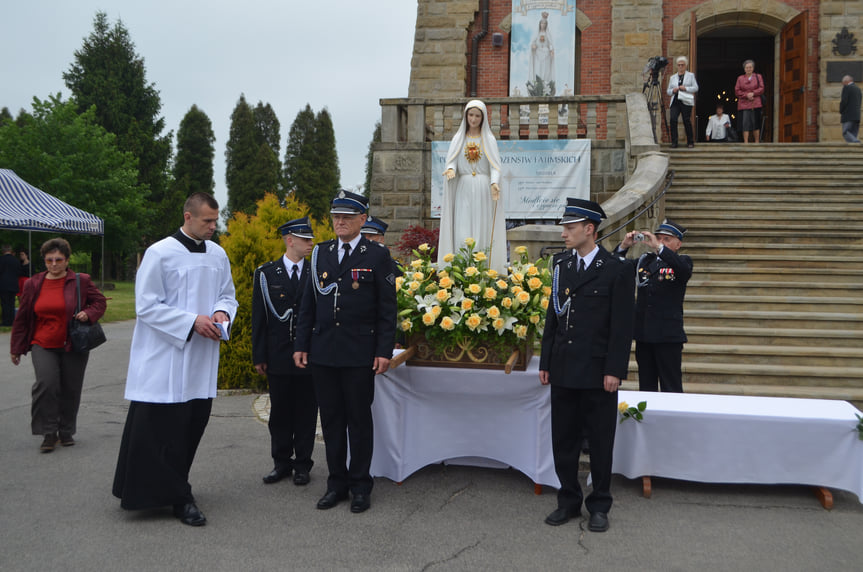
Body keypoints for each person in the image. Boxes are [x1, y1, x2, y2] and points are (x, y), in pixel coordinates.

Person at [112, 192, 237, 527]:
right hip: (164, 358)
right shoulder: (160, 253)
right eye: (207, 221)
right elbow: (147, 305)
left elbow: (227, 293)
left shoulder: (217, 254)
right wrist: (191, 322)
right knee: (160, 431)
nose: (213, 226)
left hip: (200, 360)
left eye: (215, 220)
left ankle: (173, 488)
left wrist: (222, 312)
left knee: (191, 426)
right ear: (187, 217)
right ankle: (178, 497)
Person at [293, 190, 397, 514]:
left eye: (347, 217)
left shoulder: (377, 255)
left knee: (358, 421)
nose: (339, 222)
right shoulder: (320, 254)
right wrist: (301, 344)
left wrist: (383, 351)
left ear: (362, 219)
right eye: (336, 216)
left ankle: (360, 485)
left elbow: (387, 309)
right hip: (324, 351)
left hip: (358, 353)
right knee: (332, 420)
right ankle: (336, 483)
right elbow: (307, 305)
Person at [539, 198, 634, 533]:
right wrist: (545, 359)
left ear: (589, 229)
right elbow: (554, 315)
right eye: (564, 227)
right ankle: (567, 501)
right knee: (562, 439)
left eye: (570, 227)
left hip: (597, 371)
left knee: (600, 440)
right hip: (564, 367)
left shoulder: (616, 269)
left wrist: (615, 370)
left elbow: (622, 326)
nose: (564, 233)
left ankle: (600, 504)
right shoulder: (561, 264)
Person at [10, 238, 106, 451]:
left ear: (67, 260)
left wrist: (88, 314)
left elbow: (99, 302)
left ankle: (66, 431)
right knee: (46, 384)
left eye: (58, 260)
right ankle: (48, 432)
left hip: (74, 343)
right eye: (49, 260)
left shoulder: (81, 281)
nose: (54, 264)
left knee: (71, 388)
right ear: (44, 260)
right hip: (42, 343)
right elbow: (23, 318)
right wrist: (16, 347)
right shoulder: (33, 283)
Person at [252, 217, 318, 486]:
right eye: (305, 239)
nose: (310, 243)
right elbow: (260, 318)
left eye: (310, 239)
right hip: (278, 354)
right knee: (279, 413)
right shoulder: (266, 274)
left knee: (305, 411)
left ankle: (302, 464)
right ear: (290, 241)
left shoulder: (316, 271)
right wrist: (259, 356)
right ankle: (281, 463)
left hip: (308, 356)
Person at [613, 220, 692, 393]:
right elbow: (615, 268)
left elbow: (683, 271)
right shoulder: (644, 261)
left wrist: (660, 248)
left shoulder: (682, 261)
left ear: (678, 244)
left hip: (668, 336)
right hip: (644, 334)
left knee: (671, 386)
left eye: (667, 239)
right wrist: (624, 247)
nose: (660, 242)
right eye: (658, 238)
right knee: (646, 386)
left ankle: (672, 420)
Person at [439, 100, 507, 273]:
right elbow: (452, 160)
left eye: (477, 115)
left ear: (482, 118)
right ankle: (463, 268)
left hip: (484, 188)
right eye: (471, 115)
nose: (474, 119)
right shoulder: (458, 138)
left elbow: (495, 166)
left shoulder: (489, 139)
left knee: (482, 227)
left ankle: (482, 267)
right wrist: (450, 170)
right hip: (464, 187)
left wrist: (494, 182)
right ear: (466, 116)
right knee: (463, 227)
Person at [666, 56, 698, 148]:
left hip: (686, 100)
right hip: (675, 100)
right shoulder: (673, 77)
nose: (680, 67)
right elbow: (668, 91)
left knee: (686, 120)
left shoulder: (690, 76)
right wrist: (673, 90)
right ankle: (674, 141)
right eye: (679, 65)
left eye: (682, 65)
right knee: (673, 119)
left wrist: (686, 88)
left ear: (686, 66)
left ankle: (690, 141)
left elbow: (696, 88)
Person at [734, 60, 764, 143]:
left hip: (756, 102)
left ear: (753, 68)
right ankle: (746, 142)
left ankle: (757, 142)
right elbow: (737, 91)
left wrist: (753, 93)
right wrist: (746, 95)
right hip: (744, 104)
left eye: (750, 67)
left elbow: (761, 88)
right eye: (747, 67)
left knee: (756, 123)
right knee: (745, 124)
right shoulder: (740, 78)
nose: (748, 69)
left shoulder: (758, 77)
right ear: (744, 69)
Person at [529, 11, 554, 92]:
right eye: (541, 23)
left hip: (546, 54)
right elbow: (533, 42)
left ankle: (545, 84)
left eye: (544, 24)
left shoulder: (548, 34)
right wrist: (533, 46)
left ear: (546, 25)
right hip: (538, 54)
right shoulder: (537, 33)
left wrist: (551, 50)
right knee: (538, 68)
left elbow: (550, 43)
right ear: (539, 24)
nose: (542, 25)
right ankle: (538, 84)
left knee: (545, 69)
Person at [0, 244, 19, 326]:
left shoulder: (1, 259)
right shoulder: (16, 260)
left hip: (3, 284)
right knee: (11, 303)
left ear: (3, 251)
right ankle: (12, 321)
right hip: (14, 284)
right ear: (10, 251)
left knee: (5, 304)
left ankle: (6, 321)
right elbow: (19, 272)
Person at [840, 75, 862, 143]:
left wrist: (841, 110)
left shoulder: (846, 88)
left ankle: (856, 141)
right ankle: (855, 146)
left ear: (846, 81)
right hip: (857, 116)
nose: (843, 84)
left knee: (845, 132)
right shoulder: (858, 89)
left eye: (843, 83)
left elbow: (844, 101)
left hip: (848, 115)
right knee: (853, 134)